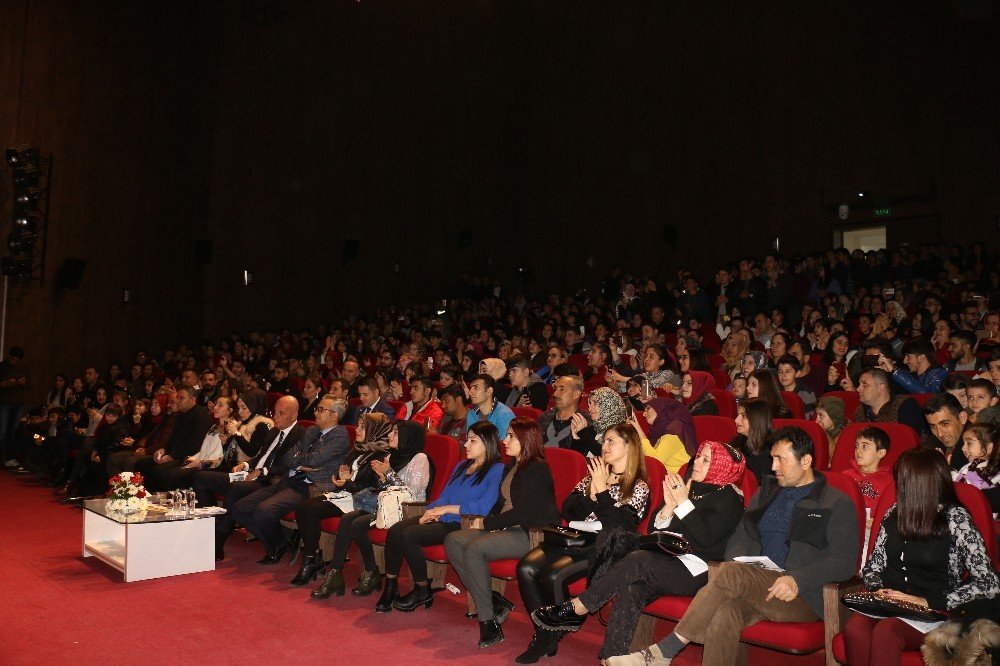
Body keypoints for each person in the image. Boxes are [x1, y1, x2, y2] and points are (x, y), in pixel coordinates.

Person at [611, 426, 859, 666]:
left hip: (800, 594)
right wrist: (741, 560)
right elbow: (742, 534)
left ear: (806, 461)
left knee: (730, 573)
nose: (773, 467)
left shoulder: (836, 503)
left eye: (781, 460)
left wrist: (798, 580)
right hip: (759, 581)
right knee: (725, 613)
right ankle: (665, 653)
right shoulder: (767, 493)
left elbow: (844, 562)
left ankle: (664, 651)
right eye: (772, 458)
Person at [532, 441, 746, 661]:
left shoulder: (730, 497)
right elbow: (655, 530)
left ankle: (579, 606)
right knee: (632, 589)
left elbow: (706, 539)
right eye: (699, 455)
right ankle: (611, 659)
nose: (697, 462)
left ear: (722, 466)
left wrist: (682, 503)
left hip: (697, 569)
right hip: (666, 559)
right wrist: (670, 507)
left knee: (639, 559)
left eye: (706, 459)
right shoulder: (690, 487)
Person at [843, 447, 1000, 665]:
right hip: (892, 603)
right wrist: (878, 590)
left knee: (887, 631)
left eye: (903, 479)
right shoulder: (894, 513)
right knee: (854, 627)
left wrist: (928, 601)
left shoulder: (955, 519)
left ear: (918, 484)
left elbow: (989, 581)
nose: (898, 484)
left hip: (934, 608)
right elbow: (873, 566)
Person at [516, 423, 650, 664]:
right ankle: (546, 633)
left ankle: (547, 638)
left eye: (611, 441)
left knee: (553, 575)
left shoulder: (638, 487)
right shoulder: (595, 474)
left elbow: (621, 527)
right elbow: (568, 510)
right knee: (525, 567)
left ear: (629, 446)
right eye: (604, 441)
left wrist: (602, 492)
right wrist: (591, 493)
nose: (604, 446)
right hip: (573, 537)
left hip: (601, 547)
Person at [444, 418, 560, 649]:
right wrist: (485, 520)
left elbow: (522, 513)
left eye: (511, 436)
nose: (505, 441)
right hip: (506, 527)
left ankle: (488, 622)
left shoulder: (538, 468)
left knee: (475, 548)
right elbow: (500, 503)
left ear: (526, 439)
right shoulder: (512, 465)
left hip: (529, 533)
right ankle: (493, 601)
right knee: (453, 540)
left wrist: (486, 523)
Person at [376, 421, 503, 614]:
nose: (466, 445)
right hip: (445, 517)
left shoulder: (496, 470)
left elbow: (484, 507)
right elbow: (444, 496)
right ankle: (391, 586)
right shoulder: (462, 466)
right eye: (467, 440)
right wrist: (431, 510)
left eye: (472, 441)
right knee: (396, 529)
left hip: (464, 523)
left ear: (487, 443)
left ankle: (421, 589)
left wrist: (444, 510)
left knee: (410, 535)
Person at [296, 415, 422, 589]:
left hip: (393, 508)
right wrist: (342, 480)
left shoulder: (411, 458)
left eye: (396, 433)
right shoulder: (379, 454)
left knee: (348, 520)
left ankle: (358, 572)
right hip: (370, 501)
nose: (390, 436)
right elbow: (379, 487)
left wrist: (386, 474)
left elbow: (411, 495)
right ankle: (324, 565)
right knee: (305, 508)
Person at [229, 395, 350, 565]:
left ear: (334, 415)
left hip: (309, 487)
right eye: (317, 408)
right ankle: (285, 540)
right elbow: (288, 457)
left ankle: (277, 546)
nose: (316, 412)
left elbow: (314, 460)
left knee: (264, 511)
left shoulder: (340, 436)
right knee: (239, 508)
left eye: (322, 409)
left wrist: (299, 460)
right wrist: (300, 463)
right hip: (288, 480)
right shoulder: (312, 430)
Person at [207, 395, 305, 560]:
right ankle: (287, 536)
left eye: (282, 413)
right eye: (275, 412)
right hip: (255, 474)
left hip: (272, 480)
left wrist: (262, 471)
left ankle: (219, 538)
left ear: (294, 415)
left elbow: (287, 466)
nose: (276, 417)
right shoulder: (274, 431)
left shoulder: (300, 435)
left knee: (236, 489)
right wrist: (246, 465)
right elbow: (260, 456)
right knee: (205, 478)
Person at [842, 426, 891, 553]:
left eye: (865, 446)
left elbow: (892, 511)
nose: (858, 451)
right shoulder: (846, 475)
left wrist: (878, 521)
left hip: (870, 529)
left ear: (881, 453)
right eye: (856, 446)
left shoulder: (888, 481)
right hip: (844, 524)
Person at [854, 368, 929, 439]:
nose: (858, 389)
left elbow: (911, 439)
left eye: (864, 384)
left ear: (881, 387)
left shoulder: (905, 405)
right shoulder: (860, 411)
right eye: (859, 385)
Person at [569, 387, 628, 458]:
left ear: (608, 405)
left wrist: (583, 433)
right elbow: (576, 460)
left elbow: (606, 456)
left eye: (595, 403)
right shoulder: (592, 430)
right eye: (590, 404)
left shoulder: (623, 432)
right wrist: (577, 438)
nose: (589, 409)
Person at [877, 336, 948, 395]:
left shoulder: (940, 373)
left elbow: (928, 394)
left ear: (921, 357)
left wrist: (894, 371)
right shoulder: (914, 376)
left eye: (908, 356)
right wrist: (889, 369)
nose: (904, 361)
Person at [641, 397, 696, 472]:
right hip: (667, 478)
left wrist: (638, 431)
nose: (644, 414)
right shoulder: (658, 430)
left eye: (648, 408)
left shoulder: (674, 431)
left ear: (661, 409)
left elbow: (654, 461)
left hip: (679, 480)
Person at [538, 375, 588, 452]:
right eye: (555, 389)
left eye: (562, 389)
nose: (555, 394)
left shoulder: (585, 423)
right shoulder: (544, 418)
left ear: (576, 394)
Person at [923, 393, 971, 472]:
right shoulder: (930, 445)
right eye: (933, 426)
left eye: (945, 424)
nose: (939, 434)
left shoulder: (980, 448)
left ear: (962, 418)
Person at [733, 398, 774, 484]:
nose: (736, 420)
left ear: (757, 418)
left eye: (743, 416)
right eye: (737, 415)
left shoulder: (771, 452)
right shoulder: (737, 442)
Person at [953, 423, 1000, 494]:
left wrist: (946, 471)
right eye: (963, 444)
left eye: (969, 443)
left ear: (988, 447)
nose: (963, 448)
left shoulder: (988, 472)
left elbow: (969, 489)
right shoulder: (974, 465)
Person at [814, 395, 847, 466]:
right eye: (816, 415)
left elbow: (836, 459)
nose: (817, 420)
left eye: (821, 415)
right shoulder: (824, 429)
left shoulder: (845, 433)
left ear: (833, 416)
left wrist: (824, 433)